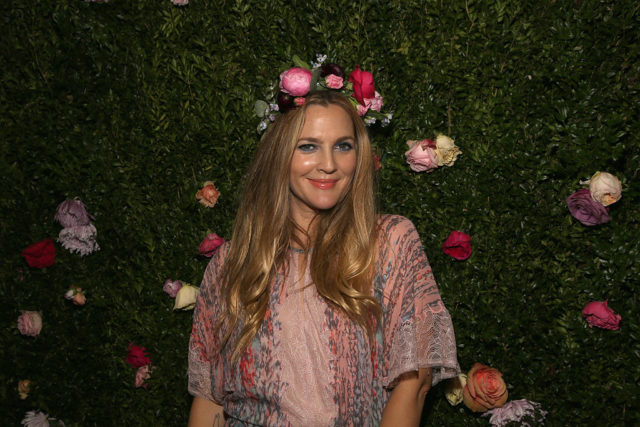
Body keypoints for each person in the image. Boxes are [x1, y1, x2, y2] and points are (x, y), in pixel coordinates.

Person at [187, 90, 460, 426]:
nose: (329, 164)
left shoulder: (390, 242)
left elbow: (413, 386)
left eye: (343, 146)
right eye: (308, 146)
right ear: (279, 153)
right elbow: (209, 399)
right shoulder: (234, 261)